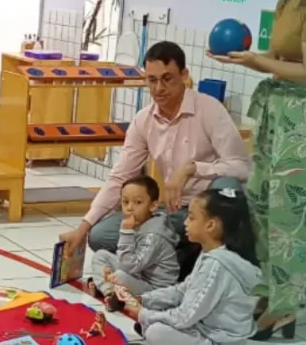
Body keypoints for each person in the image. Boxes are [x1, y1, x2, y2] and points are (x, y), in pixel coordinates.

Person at [209, 0, 306, 341]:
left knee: (291, 218)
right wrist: (248, 59)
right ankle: (269, 292)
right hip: (277, 112)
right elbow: (283, 59)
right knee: (263, 206)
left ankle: (286, 306)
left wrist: (260, 63)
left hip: (304, 119)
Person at [58, 42, 251, 262]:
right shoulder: (143, 120)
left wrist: (193, 169)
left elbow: (242, 167)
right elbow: (120, 176)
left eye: (167, 79)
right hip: (172, 214)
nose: (159, 88)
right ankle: (175, 256)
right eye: (152, 80)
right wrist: (83, 227)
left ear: (184, 75)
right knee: (100, 236)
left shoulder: (210, 109)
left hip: (206, 212)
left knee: (228, 187)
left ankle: (184, 254)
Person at [120, 188, 261, 345]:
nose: (185, 222)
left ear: (211, 225)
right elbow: (184, 289)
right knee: (158, 315)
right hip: (202, 326)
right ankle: (162, 344)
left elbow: (185, 316)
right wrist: (144, 299)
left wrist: (143, 313)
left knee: (156, 331)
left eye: (192, 217)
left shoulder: (217, 265)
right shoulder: (211, 252)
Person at [87, 175, 179, 311]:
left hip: (155, 288)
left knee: (119, 276)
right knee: (101, 255)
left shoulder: (154, 236)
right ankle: (110, 293)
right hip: (138, 273)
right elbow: (128, 260)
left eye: (138, 202)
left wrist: (126, 233)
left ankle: (114, 291)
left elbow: (129, 267)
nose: (130, 208)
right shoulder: (137, 223)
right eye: (125, 202)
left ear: (153, 206)